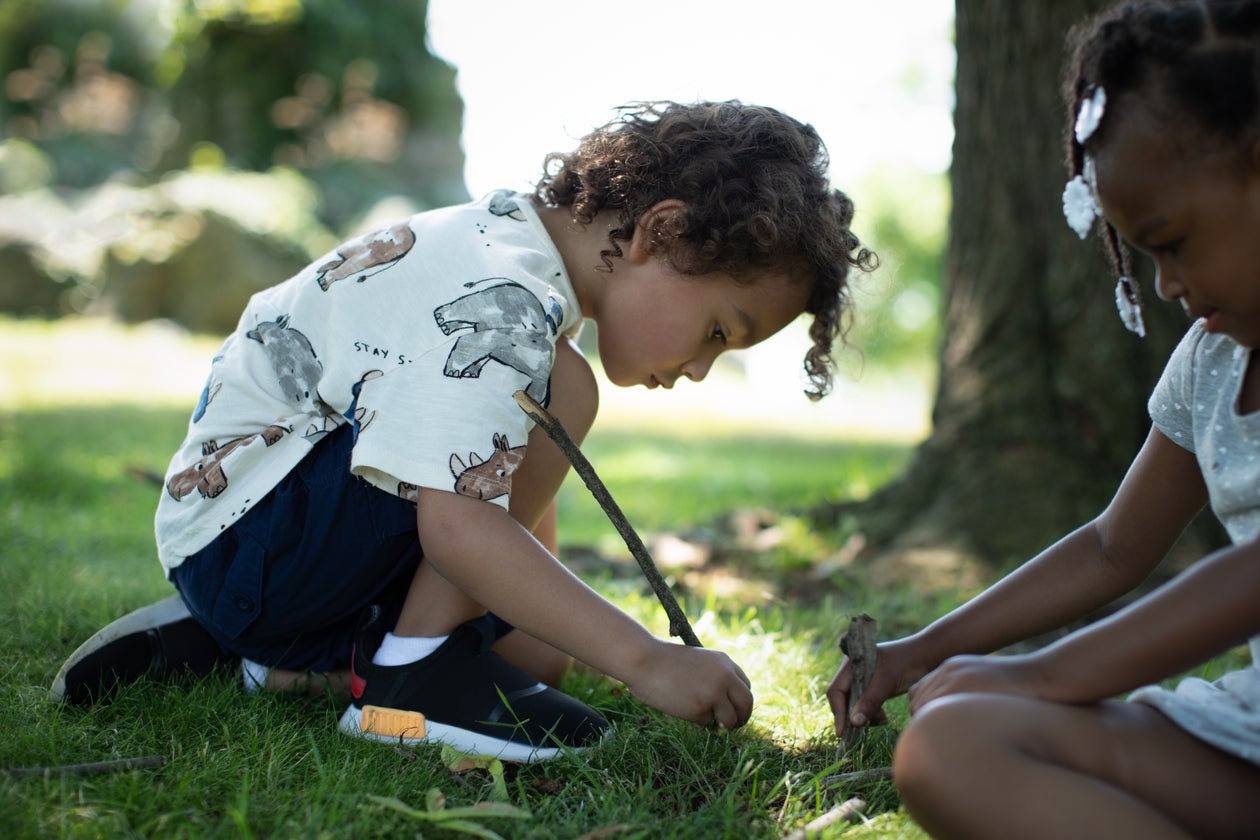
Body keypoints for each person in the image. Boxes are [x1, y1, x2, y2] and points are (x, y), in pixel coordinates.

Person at [51, 100, 876, 763]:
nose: (699, 367)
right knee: (565, 389)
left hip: (258, 549)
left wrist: (531, 624)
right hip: (257, 545)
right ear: (662, 232)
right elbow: (459, 523)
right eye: (719, 333)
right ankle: (406, 683)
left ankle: (275, 663)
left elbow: (496, 529)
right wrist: (646, 658)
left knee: (535, 658)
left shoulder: (507, 249)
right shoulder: (509, 299)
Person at [827, 2, 1260, 837]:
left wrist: (1051, 675)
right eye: (1141, 253)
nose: (1165, 284)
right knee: (955, 731)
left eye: (1172, 242)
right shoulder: (1211, 363)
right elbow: (1111, 546)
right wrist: (927, 652)